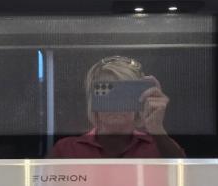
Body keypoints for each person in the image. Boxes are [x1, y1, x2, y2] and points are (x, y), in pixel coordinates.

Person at [49, 56, 185, 158]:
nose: (116, 103)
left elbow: (183, 177)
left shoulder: (159, 146)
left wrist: (157, 129)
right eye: (106, 92)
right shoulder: (67, 150)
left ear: (140, 98)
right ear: (93, 101)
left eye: (125, 93)